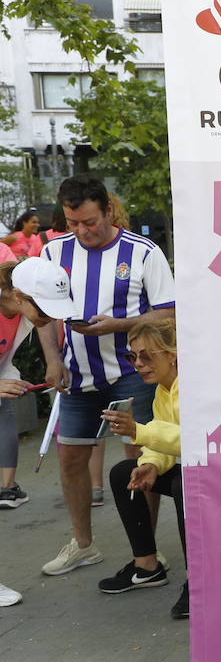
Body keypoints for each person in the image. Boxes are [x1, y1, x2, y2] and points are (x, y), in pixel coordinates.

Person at [35, 175, 175, 577]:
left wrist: (118, 325)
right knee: (71, 459)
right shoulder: (52, 252)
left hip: (133, 372)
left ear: (108, 211)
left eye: (90, 222)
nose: (82, 231)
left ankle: (145, 551)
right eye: (72, 222)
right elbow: (42, 315)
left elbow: (168, 312)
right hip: (76, 374)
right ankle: (82, 544)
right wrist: (52, 359)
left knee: (140, 456)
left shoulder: (143, 251)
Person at [0, 257, 79, 605]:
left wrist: (44, 363)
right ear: (18, 295)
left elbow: (40, 325)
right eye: (44, 308)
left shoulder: (22, 311)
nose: (50, 316)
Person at [98, 317, 187, 617]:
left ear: (172, 353)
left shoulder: (192, 384)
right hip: (201, 466)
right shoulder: (165, 389)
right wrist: (149, 464)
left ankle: (198, 581)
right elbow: (165, 434)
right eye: (132, 356)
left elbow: (196, 440)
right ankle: (147, 566)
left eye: (147, 355)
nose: (138, 363)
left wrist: (138, 431)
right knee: (124, 471)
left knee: (184, 484)